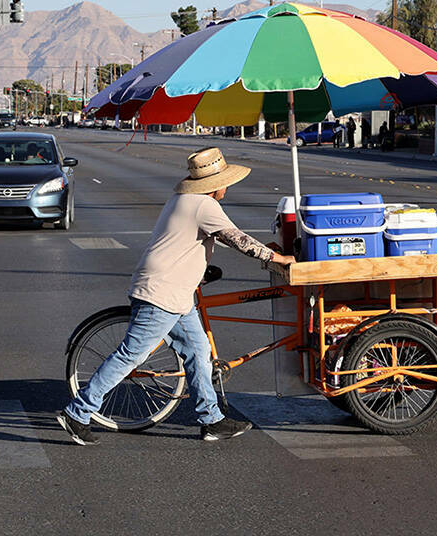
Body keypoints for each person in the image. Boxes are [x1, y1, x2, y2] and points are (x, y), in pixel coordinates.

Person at [57, 148, 296, 444]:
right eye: (224, 182)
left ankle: (211, 421)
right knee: (130, 356)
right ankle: (77, 412)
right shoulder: (203, 205)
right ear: (215, 183)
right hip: (162, 293)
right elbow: (236, 239)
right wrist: (277, 258)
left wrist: (263, 253)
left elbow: (195, 240)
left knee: (198, 352)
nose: (226, 187)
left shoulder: (184, 199)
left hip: (176, 294)